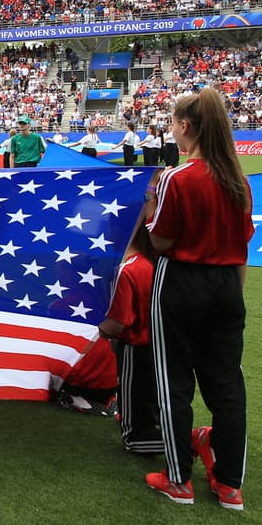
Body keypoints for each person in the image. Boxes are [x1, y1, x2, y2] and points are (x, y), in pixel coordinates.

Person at [145, 89, 253, 511]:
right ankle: (229, 485)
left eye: (173, 124)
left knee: (174, 381)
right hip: (227, 285)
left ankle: (178, 480)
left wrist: (153, 206)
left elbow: (161, 239)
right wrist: (231, 299)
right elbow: (241, 248)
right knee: (227, 385)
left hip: (182, 283)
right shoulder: (238, 181)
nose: (172, 131)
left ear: (185, 127)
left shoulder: (179, 178)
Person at [98, 177, 163, 455]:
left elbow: (119, 322)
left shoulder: (131, 270)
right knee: (149, 398)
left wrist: (102, 328)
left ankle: (188, 439)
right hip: (158, 346)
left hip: (136, 347)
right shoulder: (154, 264)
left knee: (135, 426)